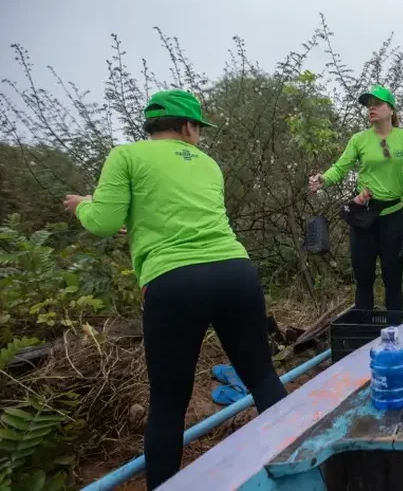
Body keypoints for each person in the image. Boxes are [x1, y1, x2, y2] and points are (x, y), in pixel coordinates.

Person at [62, 89, 287, 489]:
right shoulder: (209, 164)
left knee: (168, 403)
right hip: (235, 272)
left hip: (174, 282)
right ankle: (299, 467)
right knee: (263, 379)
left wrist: (82, 203)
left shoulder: (127, 155)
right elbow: (190, 217)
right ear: (187, 126)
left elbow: (102, 222)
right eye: (198, 128)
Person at [309, 85, 403, 310]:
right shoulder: (359, 139)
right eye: (369, 105)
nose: (371, 109)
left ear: (391, 109)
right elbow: (340, 167)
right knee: (364, 278)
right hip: (364, 216)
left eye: (377, 104)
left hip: (393, 215)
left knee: (393, 278)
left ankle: (395, 329)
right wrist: (324, 179)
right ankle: (365, 334)